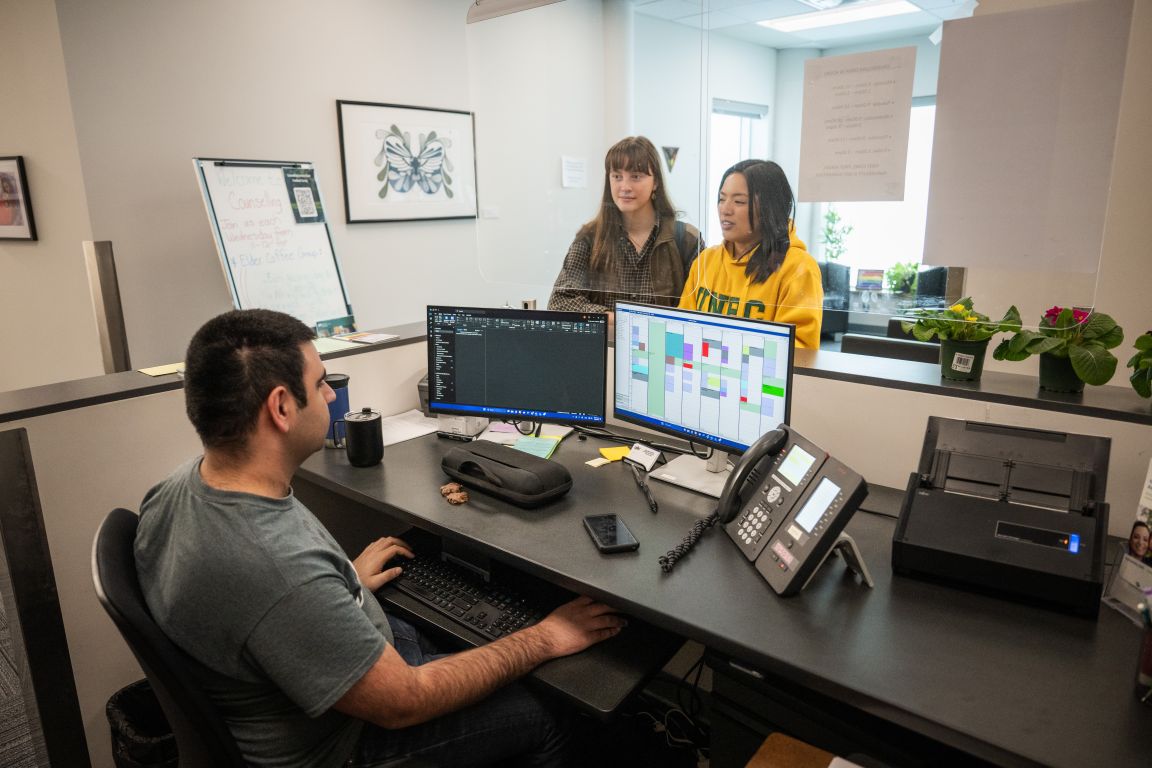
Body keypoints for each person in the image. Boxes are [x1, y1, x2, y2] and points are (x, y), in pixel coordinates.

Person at [135, 309, 625, 767]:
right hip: (345, 744)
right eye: (321, 383)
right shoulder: (277, 568)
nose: (330, 396)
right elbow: (404, 703)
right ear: (281, 407)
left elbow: (262, 607)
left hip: (315, 684)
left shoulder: (176, 489)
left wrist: (341, 583)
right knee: (553, 709)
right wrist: (544, 637)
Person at [548, 136, 701, 319]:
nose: (624, 187)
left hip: (665, 346)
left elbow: (701, 309)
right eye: (617, 176)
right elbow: (560, 302)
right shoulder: (590, 237)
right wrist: (618, 320)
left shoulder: (686, 239)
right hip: (607, 346)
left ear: (656, 183)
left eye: (636, 177)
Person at [678, 160, 823, 348]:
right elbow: (682, 329)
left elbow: (800, 351)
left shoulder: (798, 269)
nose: (725, 209)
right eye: (722, 199)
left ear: (769, 209)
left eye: (739, 201)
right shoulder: (706, 260)